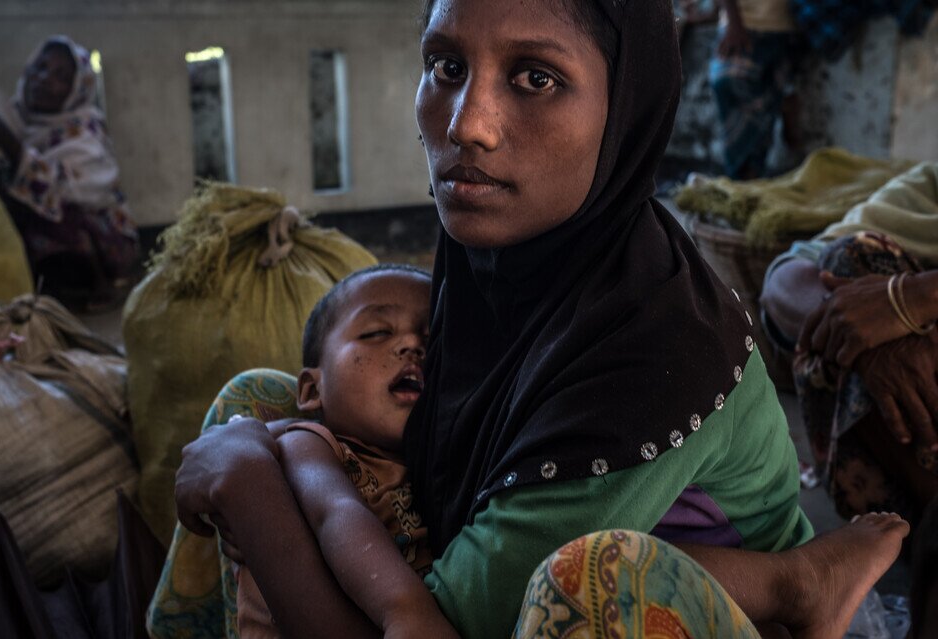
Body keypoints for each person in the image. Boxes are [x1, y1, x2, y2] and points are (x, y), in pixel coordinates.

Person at [173, 1, 908, 638]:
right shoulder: (500, 259)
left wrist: (250, 490)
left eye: (536, 78)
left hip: (672, 612)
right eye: (447, 67)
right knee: (259, 403)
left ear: (624, 105)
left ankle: (795, 586)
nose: (469, 125)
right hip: (512, 558)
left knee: (586, 578)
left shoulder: (649, 348)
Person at [228, 263, 457, 638]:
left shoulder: (438, 465)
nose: (413, 345)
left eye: (433, 339)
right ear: (312, 391)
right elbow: (334, 511)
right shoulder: (306, 446)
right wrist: (407, 612)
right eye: (377, 332)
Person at [760, 162, 938, 526]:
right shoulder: (929, 186)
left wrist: (923, 294)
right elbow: (785, 281)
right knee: (852, 263)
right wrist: (864, 330)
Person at [0, 36, 140, 308]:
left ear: (78, 89)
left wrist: (4, 139)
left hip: (101, 244)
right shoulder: (17, 117)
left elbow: (65, 193)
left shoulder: (86, 134)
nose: (44, 79)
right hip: (44, 238)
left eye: (61, 76)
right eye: (40, 68)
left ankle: (97, 287)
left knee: (61, 213)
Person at [710, 0, 803, 179]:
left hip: (786, 26)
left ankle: (749, 173)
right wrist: (734, 24)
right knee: (727, 83)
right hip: (743, 24)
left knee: (764, 100)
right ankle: (742, 172)